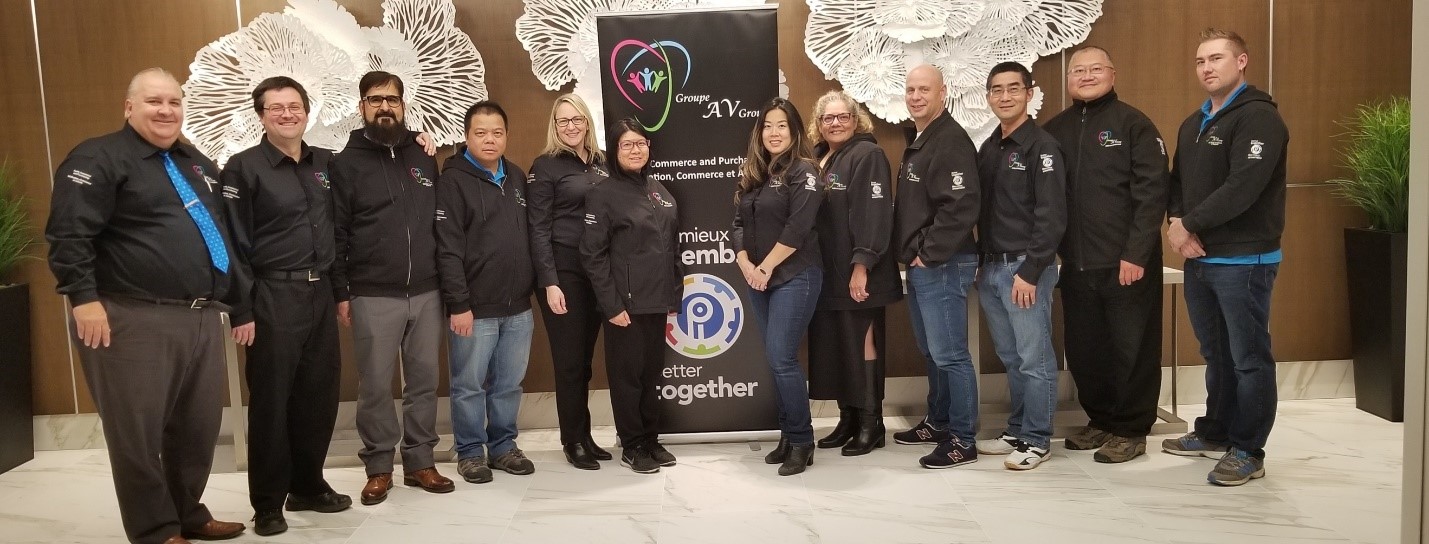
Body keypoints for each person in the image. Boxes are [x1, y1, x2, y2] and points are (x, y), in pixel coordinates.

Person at [45, 67, 248, 544]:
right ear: (128, 107)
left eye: (174, 101)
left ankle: (186, 513)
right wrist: (83, 298)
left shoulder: (193, 160)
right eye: (154, 101)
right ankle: (155, 530)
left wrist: (238, 303)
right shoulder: (98, 157)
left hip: (199, 314)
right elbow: (69, 232)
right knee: (137, 432)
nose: (166, 110)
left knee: (196, 429)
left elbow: (218, 232)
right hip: (129, 315)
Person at [220, 76, 351, 536]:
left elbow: (336, 232)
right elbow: (230, 246)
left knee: (318, 395)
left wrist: (340, 293)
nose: (286, 114)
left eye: (294, 106)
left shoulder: (325, 164)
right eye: (275, 108)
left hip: (319, 295)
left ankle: (308, 486)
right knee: (272, 402)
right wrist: (240, 309)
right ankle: (268, 503)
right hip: (271, 296)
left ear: (307, 111)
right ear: (260, 115)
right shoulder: (243, 168)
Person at [1162, 28, 1288, 487]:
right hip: (1200, 260)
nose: (1207, 67)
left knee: (1249, 357)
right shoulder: (1192, 122)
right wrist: (1177, 224)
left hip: (1245, 261)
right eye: (1200, 61)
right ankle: (1215, 431)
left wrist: (1188, 225)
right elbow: (1175, 184)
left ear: (1242, 61)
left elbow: (1243, 188)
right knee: (1215, 353)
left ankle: (1249, 448)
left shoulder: (1259, 119)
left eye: (1216, 58)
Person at [330, 70, 454, 504]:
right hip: (371, 292)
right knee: (376, 384)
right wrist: (342, 292)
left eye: (393, 99)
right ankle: (379, 466)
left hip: (426, 289)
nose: (385, 106)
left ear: (404, 104)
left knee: (424, 380)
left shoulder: (423, 155)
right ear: (361, 106)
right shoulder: (343, 163)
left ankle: (420, 462)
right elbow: (337, 232)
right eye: (374, 99)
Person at [1042, 47, 1169, 464]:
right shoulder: (1055, 130)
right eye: (1078, 70)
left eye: (1095, 69)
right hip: (1076, 266)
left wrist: (1135, 254)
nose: (1086, 76)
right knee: (1086, 349)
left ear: (1112, 74)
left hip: (1126, 265)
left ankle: (1131, 430)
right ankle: (1100, 420)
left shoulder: (1134, 124)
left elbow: (1152, 194)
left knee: (1132, 347)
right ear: (1068, 79)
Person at [436, 101, 537, 484]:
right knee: (468, 386)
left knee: (509, 384)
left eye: (497, 132)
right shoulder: (453, 180)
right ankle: (470, 452)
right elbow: (447, 247)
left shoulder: (515, 176)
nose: (489, 139)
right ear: (466, 136)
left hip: (518, 308)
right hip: (473, 309)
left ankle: (503, 447)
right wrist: (458, 304)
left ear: (507, 135)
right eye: (480, 132)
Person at [973, 62, 1068, 471]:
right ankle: (1017, 428)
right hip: (991, 268)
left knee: (1035, 358)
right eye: (997, 90)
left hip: (1024, 270)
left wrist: (1030, 271)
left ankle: (1037, 438)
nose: (1005, 96)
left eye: (1014, 88)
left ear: (1030, 93)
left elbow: (1052, 217)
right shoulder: (989, 147)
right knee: (1011, 357)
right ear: (989, 96)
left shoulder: (1042, 148)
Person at [890, 65, 983, 470]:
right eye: (910, 89)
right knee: (933, 352)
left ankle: (962, 439)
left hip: (943, 264)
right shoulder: (924, 138)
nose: (915, 96)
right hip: (925, 265)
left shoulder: (949, 140)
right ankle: (939, 421)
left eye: (923, 89)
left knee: (950, 355)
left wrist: (928, 253)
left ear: (942, 93)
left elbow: (961, 205)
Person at [581, 118, 683, 474]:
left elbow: (671, 247)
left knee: (652, 373)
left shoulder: (659, 190)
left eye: (641, 143)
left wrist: (674, 294)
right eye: (627, 145)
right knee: (628, 378)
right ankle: (632, 443)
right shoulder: (603, 193)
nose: (636, 150)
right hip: (624, 304)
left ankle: (651, 440)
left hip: (657, 300)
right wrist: (611, 305)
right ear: (615, 151)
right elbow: (592, 255)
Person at [806, 90, 901, 457]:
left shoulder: (869, 155)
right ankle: (847, 419)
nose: (835, 123)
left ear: (855, 119)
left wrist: (862, 265)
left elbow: (873, 214)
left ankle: (871, 423)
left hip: (861, 274)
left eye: (842, 116)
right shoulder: (818, 158)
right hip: (827, 275)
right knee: (838, 348)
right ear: (819, 123)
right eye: (827, 118)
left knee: (863, 345)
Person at [733, 98, 825, 476]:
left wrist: (765, 267)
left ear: (795, 131)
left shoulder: (804, 171)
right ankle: (788, 435)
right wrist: (745, 265)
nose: (773, 132)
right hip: (758, 277)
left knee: (782, 358)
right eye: (767, 125)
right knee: (776, 360)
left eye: (781, 125)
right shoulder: (754, 172)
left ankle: (802, 441)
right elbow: (737, 223)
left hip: (795, 276)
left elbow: (798, 229)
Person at [527, 94, 614, 470]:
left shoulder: (602, 163)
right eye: (563, 121)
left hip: (599, 272)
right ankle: (572, 441)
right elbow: (537, 228)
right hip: (563, 274)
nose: (571, 126)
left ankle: (586, 435)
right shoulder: (545, 166)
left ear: (588, 122)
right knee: (568, 363)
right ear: (555, 126)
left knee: (584, 362)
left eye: (577, 118)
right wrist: (549, 282)